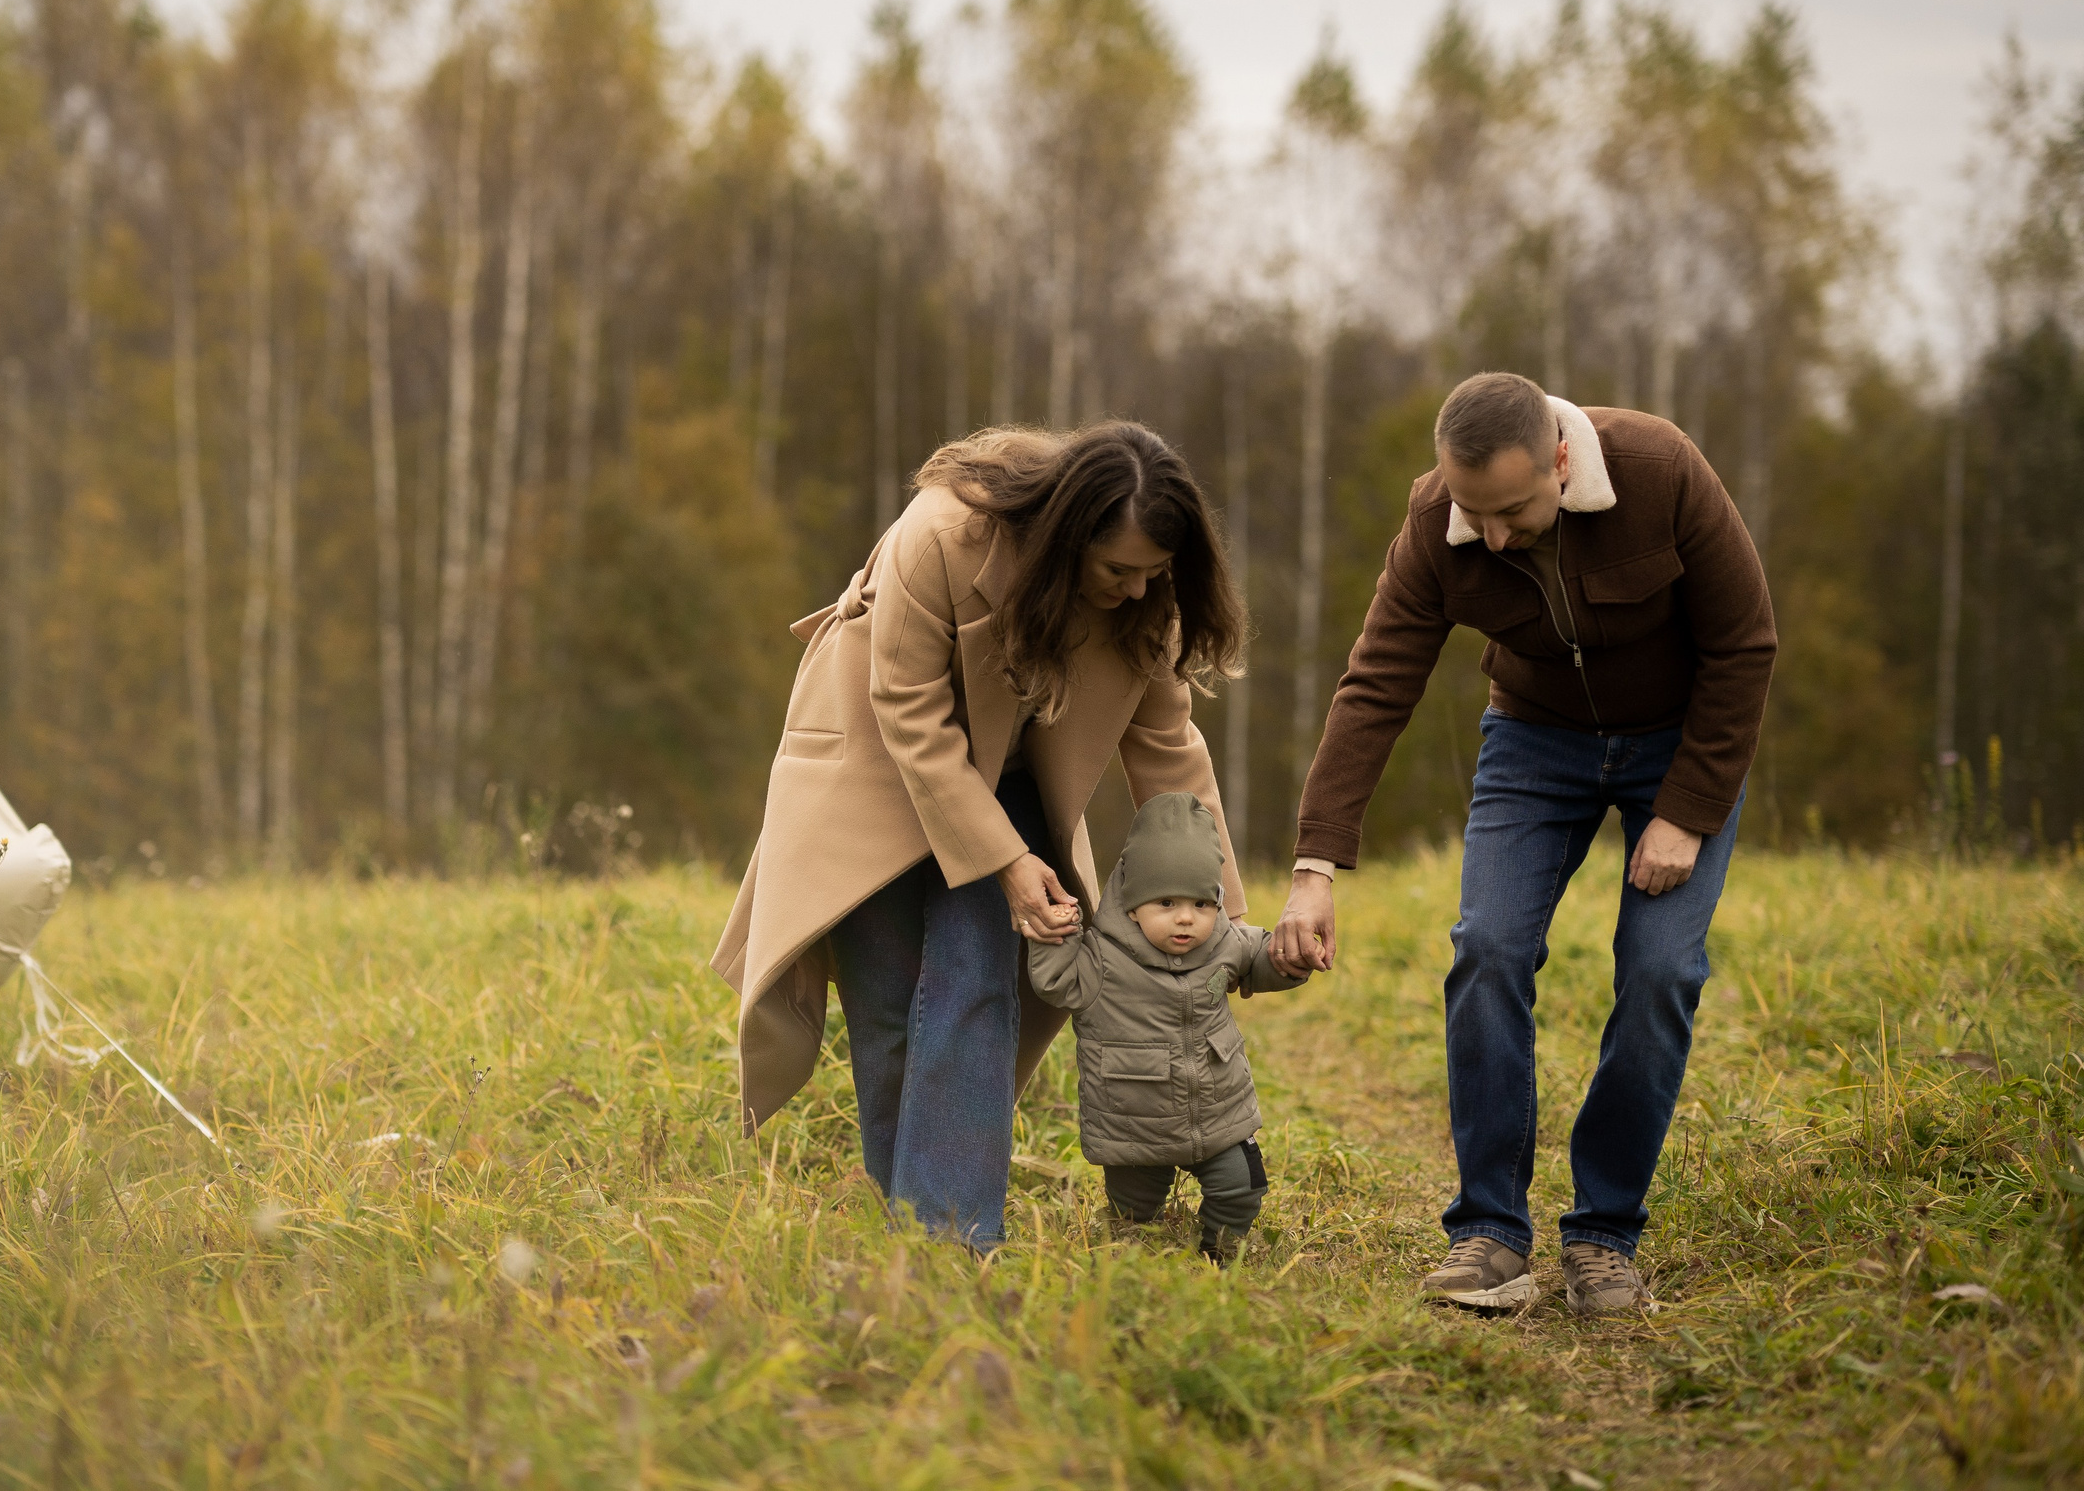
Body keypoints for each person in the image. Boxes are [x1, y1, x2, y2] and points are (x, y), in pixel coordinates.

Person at [1270, 372, 1776, 1315]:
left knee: (1662, 970)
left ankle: (1603, 1237)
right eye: (1472, 511)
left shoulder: (1661, 469)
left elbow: (1745, 644)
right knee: (1488, 948)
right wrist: (1314, 864)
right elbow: (1375, 685)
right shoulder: (1437, 522)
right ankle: (1490, 1234)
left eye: (1511, 510)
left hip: (1678, 746)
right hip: (1536, 742)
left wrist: (1689, 807)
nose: (1491, 536)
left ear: (1560, 458)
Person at [711, 421, 1243, 1251]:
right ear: (1068, 537)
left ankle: (952, 1242)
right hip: (879, 756)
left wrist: (1224, 917)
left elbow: (1171, 754)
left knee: (980, 979)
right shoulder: (942, 536)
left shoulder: (1148, 605)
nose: (1140, 591)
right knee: (886, 999)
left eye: (1156, 572)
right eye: (1118, 571)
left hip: (1013, 775)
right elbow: (911, 718)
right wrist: (1002, 861)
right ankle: (914, 1230)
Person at [1028, 791, 1310, 1262]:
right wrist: (1056, 936)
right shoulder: (1101, 958)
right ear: (1131, 903)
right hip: (1134, 1123)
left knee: (1241, 1187)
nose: (1186, 917)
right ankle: (1133, 1265)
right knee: (1131, 1214)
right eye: (1166, 902)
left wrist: (1290, 959)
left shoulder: (1224, 941)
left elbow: (1259, 958)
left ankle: (1219, 1254)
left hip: (1219, 1113)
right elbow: (1056, 982)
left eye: (1202, 903)